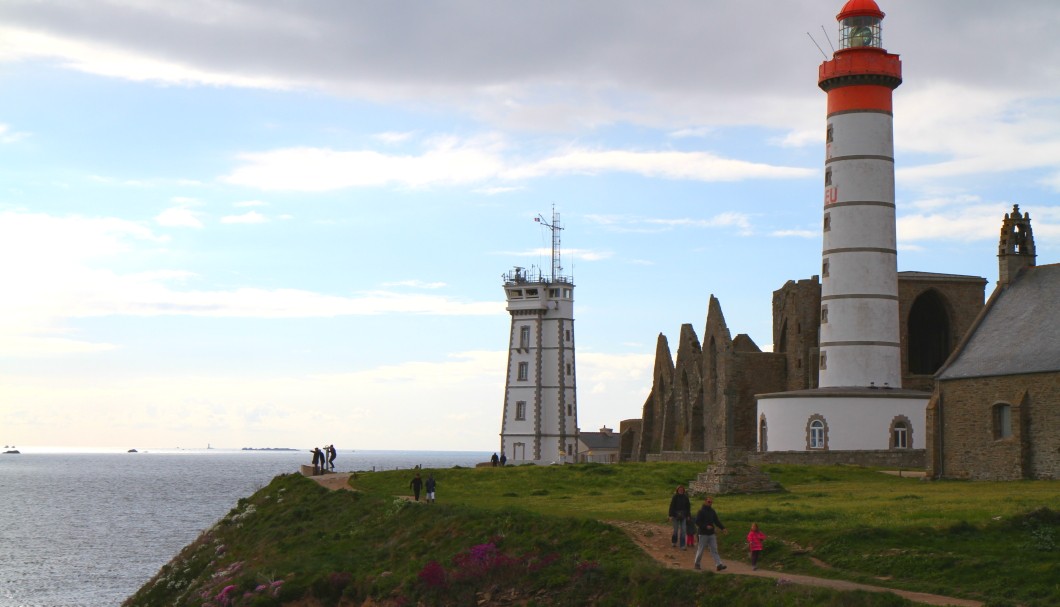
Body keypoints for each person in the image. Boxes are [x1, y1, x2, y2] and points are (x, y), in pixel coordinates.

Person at [693, 496, 728, 571]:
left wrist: (723, 528)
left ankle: (719, 565)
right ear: (705, 501)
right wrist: (705, 526)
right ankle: (697, 564)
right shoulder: (701, 511)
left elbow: (716, 521)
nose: (710, 503)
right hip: (703, 533)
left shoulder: (712, 511)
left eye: (711, 502)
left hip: (711, 533)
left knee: (714, 549)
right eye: (709, 502)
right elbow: (697, 522)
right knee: (701, 549)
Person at [667, 485, 691, 550]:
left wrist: (688, 515)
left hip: (684, 515)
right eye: (679, 489)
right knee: (675, 530)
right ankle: (674, 541)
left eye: (682, 490)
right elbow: (671, 506)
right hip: (675, 515)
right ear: (677, 490)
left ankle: (682, 545)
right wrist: (670, 515)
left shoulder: (686, 497)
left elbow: (688, 507)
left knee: (683, 530)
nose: (681, 490)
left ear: (683, 490)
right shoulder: (675, 497)